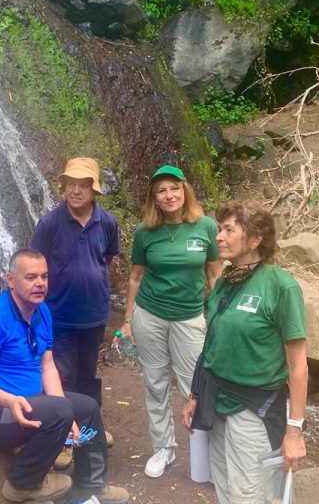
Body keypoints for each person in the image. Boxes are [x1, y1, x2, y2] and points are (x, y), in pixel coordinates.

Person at [0, 248, 129, 504]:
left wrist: (66, 410)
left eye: (44, 277)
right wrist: (10, 401)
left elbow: (47, 366)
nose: (40, 283)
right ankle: (23, 482)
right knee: (59, 411)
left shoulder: (42, 312)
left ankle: (91, 486)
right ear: (10, 280)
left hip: (30, 401)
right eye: (31, 277)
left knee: (87, 408)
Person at [182, 200, 308, 504]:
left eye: (228, 230)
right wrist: (194, 395)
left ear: (254, 240)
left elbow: (298, 366)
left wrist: (294, 432)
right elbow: (212, 344)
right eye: (219, 229)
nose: (219, 237)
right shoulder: (225, 281)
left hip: (254, 407)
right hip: (215, 400)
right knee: (224, 484)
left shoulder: (280, 286)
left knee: (251, 494)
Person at [116, 165, 221, 478]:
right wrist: (127, 319)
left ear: (184, 190)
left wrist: (219, 313)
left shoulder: (206, 227)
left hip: (190, 317)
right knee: (156, 382)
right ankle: (164, 448)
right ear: (154, 199)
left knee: (196, 385)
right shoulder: (144, 232)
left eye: (174, 188)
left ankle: (204, 449)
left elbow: (215, 273)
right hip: (150, 315)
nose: (169, 195)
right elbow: (136, 277)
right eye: (161, 190)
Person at [31, 157, 120, 469]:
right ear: (64, 187)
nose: (76, 190)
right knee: (63, 378)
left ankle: (90, 430)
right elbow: (36, 265)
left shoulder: (107, 222)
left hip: (94, 314)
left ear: (94, 189)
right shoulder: (50, 224)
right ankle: (65, 439)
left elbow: (105, 258)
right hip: (59, 316)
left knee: (88, 376)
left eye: (83, 185)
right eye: (71, 184)